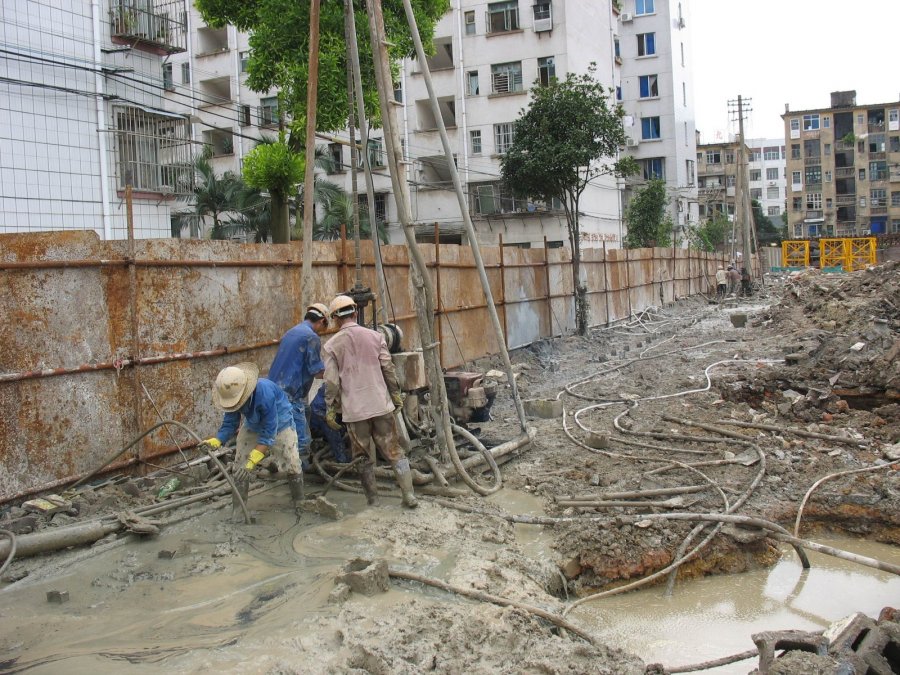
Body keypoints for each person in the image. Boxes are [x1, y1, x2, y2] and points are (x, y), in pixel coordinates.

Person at [322, 295, 418, 509]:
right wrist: (395, 395)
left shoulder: (331, 346)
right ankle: (409, 495)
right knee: (393, 450)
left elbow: (331, 381)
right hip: (380, 404)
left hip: (355, 411)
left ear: (336, 319)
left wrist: (330, 408)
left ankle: (373, 502)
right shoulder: (376, 337)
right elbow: (388, 368)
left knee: (362, 457)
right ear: (355, 312)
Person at [204, 362, 304, 517]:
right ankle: (238, 509)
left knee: (292, 462)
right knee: (240, 464)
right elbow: (230, 423)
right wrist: (218, 440)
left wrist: (252, 463)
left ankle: (299, 501)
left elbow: (269, 434)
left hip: (280, 423)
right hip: (253, 424)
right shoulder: (233, 396)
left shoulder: (265, 394)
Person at [267, 303, 329, 470]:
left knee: (287, 425)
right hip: (290, 394)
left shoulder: (291, 332)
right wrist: (339, 373)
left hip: (274, 389)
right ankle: (300, 470)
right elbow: (317, 371)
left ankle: (280, 460)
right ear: (322, 320)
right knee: (300, 436)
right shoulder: (311, 337)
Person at [309, 385, 351, 463]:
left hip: (328, 407)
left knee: (341, 430)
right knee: (335, 434)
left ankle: (335, 454)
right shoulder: (334, 383)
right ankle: (342, 461)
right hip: (322, 411)